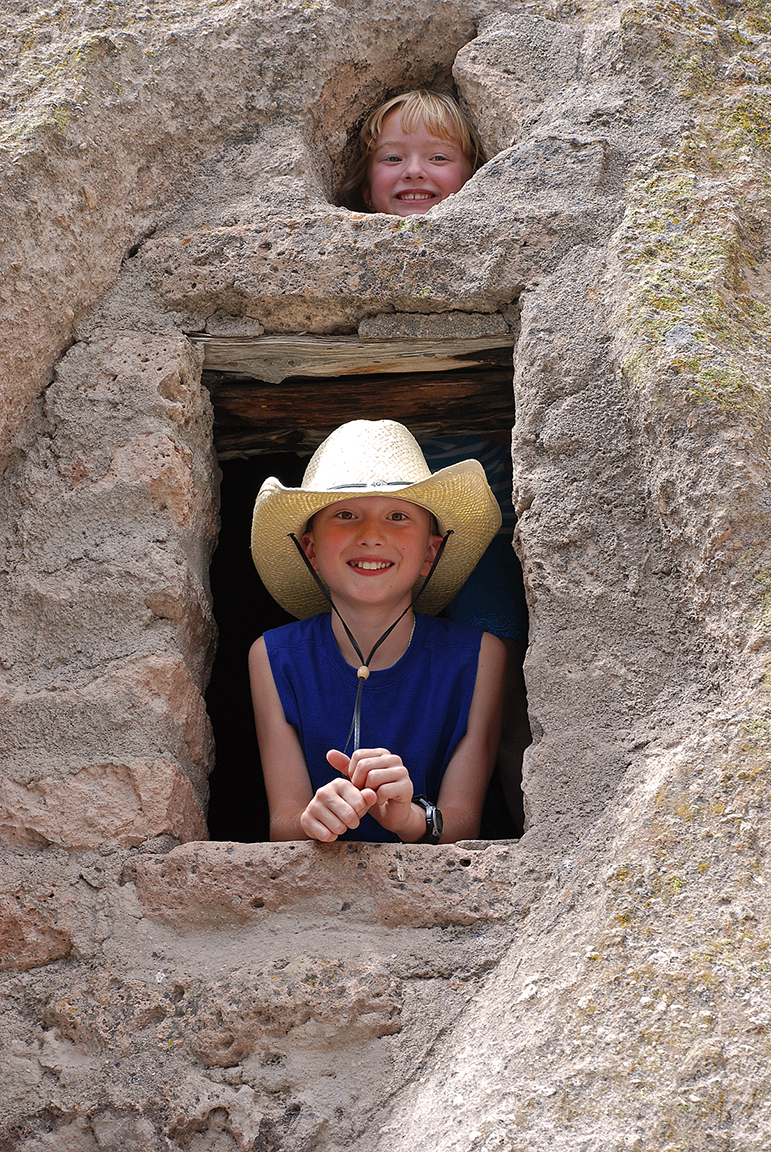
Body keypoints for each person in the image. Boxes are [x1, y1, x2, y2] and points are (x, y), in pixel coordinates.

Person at [342, 89, 532, 834]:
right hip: (376, 537)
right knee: (383, 687)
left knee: (506, 693)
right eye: (392, 159)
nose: (413, 171)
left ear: (475, 175)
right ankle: (387, 818)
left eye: (437, 157)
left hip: (480, 539)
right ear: (365, 186)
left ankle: (518, 831)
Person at [249, 419, 507, 844]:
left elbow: (463, 820)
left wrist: (408, 818)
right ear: (310, 548)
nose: (371, 536)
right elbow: (284, 820)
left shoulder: (478, 656)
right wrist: (313, 819)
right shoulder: (274, 656)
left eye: (398, 516)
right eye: (346, 515)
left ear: (431, 550)